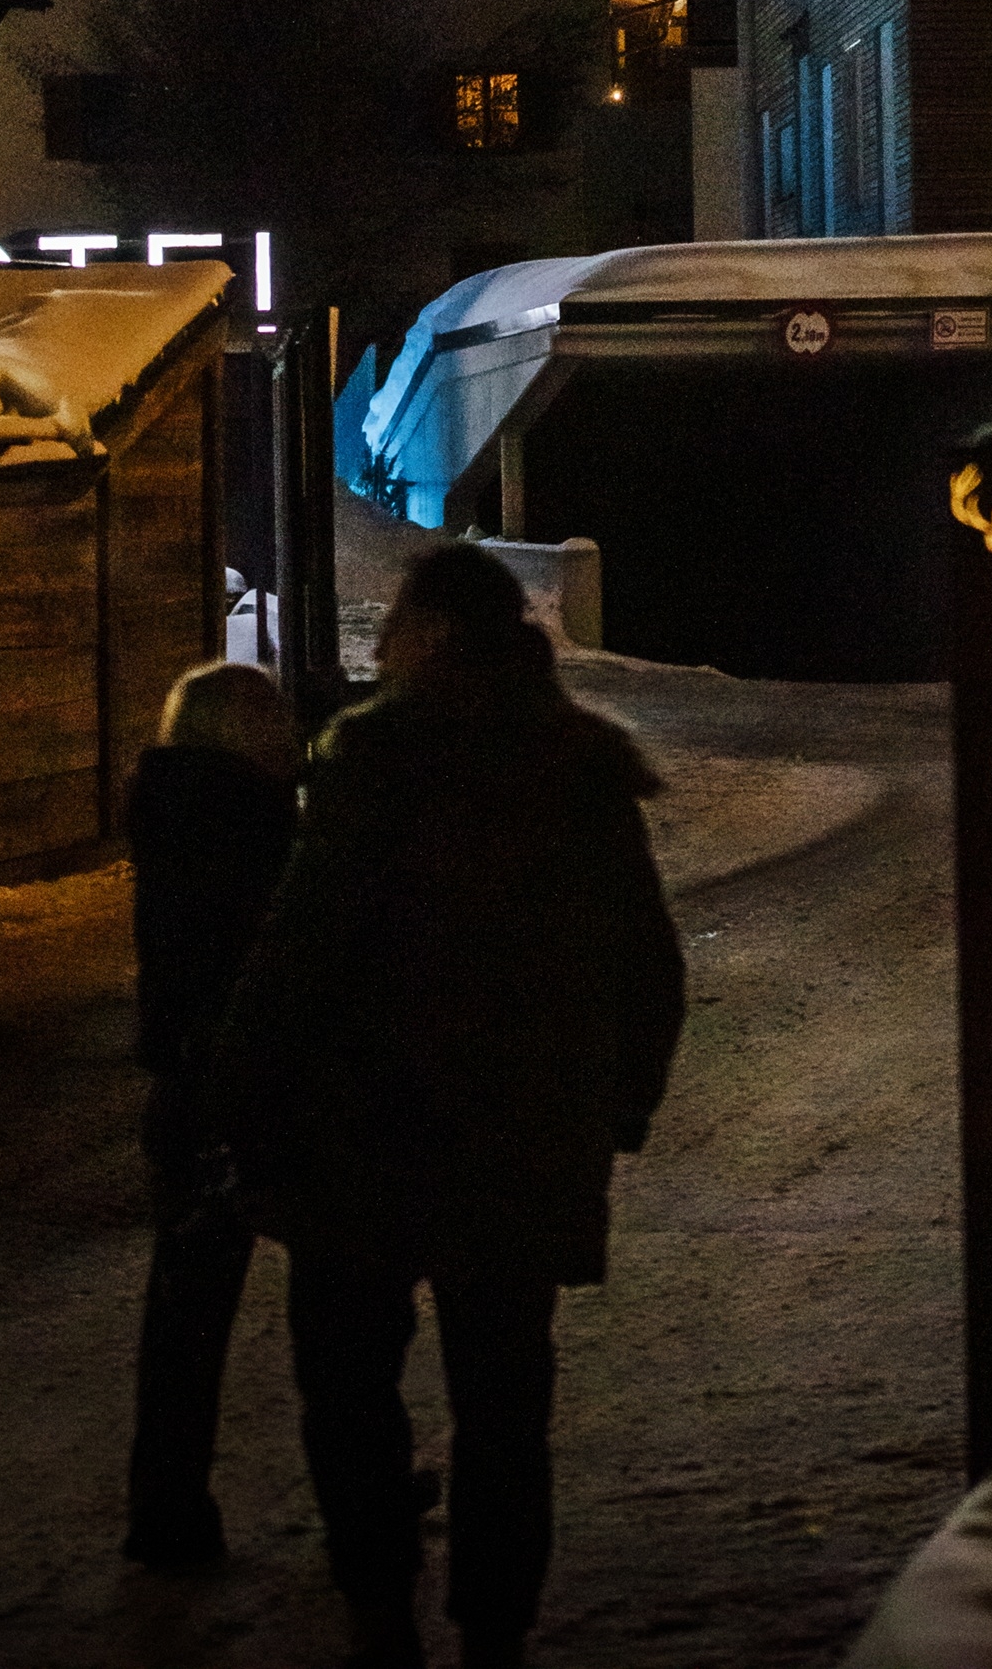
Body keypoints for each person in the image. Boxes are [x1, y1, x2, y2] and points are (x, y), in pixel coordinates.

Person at [219, 543, 685, 1669]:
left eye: (396, 627)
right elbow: (649, 967)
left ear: (431, 633)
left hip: (362, 1140)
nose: (381, 649)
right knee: (505, 1403)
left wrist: (247, 1099)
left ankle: (380, 1609)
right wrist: (610, 1114)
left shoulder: (377, 764)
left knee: (347, 1385)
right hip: (521, 1147)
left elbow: (300, 955)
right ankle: (495, 1630)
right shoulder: (581, 769)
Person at [122, 658, 302, 1572]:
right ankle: (361, 1478)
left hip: (192, 1090)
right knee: (340, 1295)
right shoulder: (246, 824)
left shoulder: (174, 814)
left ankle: (166, 1505)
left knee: (186, 1315)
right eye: (271, 713)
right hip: (253, 1087)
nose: (290, 727)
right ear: (232, 731)